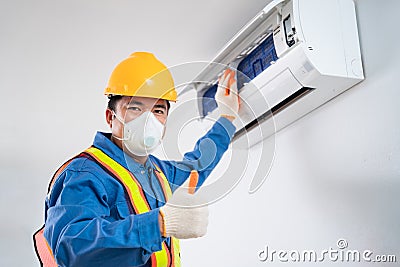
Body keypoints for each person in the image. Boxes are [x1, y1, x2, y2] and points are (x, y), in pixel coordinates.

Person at [33, 52, 239, 267]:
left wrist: (227, 118)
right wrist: (159, 224)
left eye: (158, 110)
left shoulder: (159, 174)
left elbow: (198, 165)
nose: (148, 119)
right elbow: (72, 249)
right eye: (135, 108)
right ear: (110, 117)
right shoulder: (85, 173)